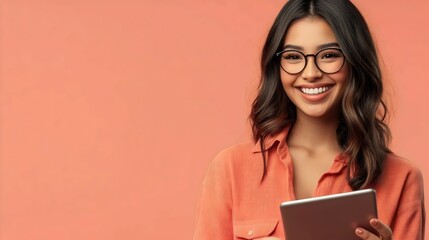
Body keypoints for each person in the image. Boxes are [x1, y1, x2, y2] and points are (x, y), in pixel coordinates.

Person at [193, 0, 425, 239]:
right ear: (277, 66)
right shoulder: (231, 168)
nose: (311, 73)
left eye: (329, 55)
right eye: (293, 57)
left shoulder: (402, 179)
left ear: (356, 61)